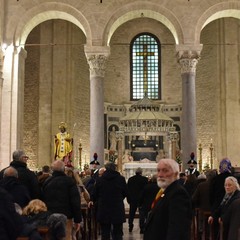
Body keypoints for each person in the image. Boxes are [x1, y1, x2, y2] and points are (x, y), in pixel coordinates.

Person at [143, 158, 192, 240]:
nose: (160, 174)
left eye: (165, 171)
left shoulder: (178, 193)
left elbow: (177, 227)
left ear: (176, 174)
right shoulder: (165, 191)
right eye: (158, 170)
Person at [41, 160, 82, 239]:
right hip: (66, 217)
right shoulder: (70, 181)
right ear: (64, 169)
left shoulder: (47, 182)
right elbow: (75, 201)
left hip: (50, 216)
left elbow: (43, 199)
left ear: (52, 170)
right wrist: (77, 220)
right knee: (65, 237)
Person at [89, 162, 127, 240]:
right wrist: (119, 199)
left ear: (106, 169)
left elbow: (95, 194)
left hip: (104, 208)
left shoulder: (100, 179)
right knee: (118, 233)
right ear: (115, 168)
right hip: (117, 207)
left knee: (105, 233)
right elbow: (125, 192)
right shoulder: (121, 179)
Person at [209, 158, 232, 239]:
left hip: (217, 207)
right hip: (230, 208)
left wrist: (212, 207)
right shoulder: (234, 178)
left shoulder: (215, 179)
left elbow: (211, 195)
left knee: (216, 230)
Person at [127, 167, 148, 233]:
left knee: (131, 213)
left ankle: (130, 225)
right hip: (142, 199)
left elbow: (127, 190)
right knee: (142, 214)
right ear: (141, 172)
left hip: (132, 199)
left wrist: (128, 199)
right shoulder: (145, 179)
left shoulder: (130, 179)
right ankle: (142, 228)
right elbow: (146, 190)